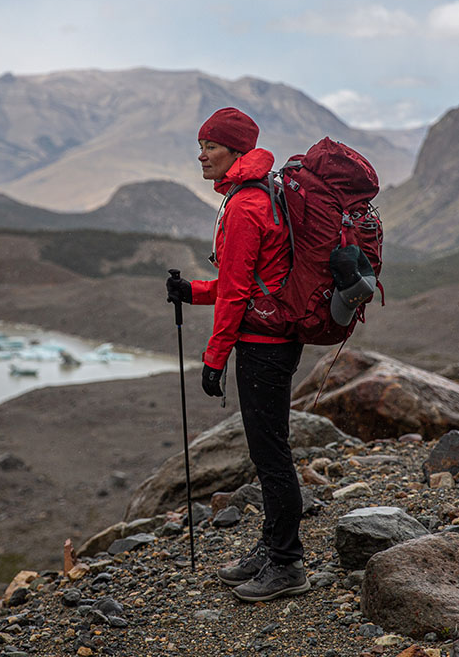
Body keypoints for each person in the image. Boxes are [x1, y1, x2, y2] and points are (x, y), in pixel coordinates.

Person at [165, 107, 310, 602]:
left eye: (210, 146)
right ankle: (272, 548)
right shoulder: (256, 194)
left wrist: (213, 357)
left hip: (263, 345)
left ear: (235, 151)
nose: (201, 154)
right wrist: (191, 292)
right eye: (202, 144)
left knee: (271, 455)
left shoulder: (246, 206)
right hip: (269, 337)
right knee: (268, 450)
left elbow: (235, 295)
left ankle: (287, 564)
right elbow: (236, 284)